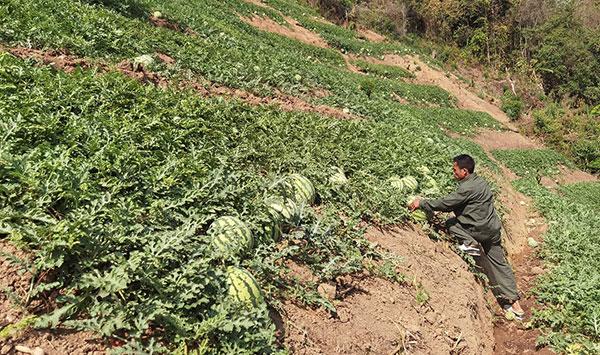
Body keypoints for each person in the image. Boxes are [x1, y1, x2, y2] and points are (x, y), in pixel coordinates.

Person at [408, 154, 525, 320]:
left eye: (455, 170)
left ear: (464, 171)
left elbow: (446, 204)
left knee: (451, 223)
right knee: (500, 264)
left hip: (478, 231)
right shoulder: (481, 182)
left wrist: (422, 202)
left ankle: (470, 244)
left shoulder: (466, 188)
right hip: (493, 230)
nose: (452, 172)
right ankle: (516, 306)